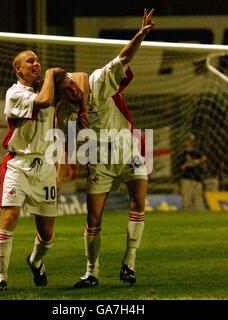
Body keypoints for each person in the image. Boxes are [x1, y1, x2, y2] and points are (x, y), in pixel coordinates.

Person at [54, 8, 155, 288]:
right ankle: (91, 272)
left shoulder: (97, 81)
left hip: (128, 149)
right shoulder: (64, 113)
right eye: (67, 89)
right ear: (61, 94)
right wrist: (63, 174)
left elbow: (123, 58)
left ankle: (129, 264)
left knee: (138, 202)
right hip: (99, 159)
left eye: (74, 84)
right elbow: (67, 145)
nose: (73, 89)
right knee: (93, 217)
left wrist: (140, 34)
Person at [0, 49, 64, 291]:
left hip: (45, 167)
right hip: (18, 164)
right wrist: (53, 73)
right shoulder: (15, 93)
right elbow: (42, 102)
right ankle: (0, 277)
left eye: (38, 61)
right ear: (17, 69)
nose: (36, 64)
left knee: (47, 233)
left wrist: (82, 105)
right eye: (29, 61)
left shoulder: (47, 89)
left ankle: (35, 261)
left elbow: (80, 82)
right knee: (9, 217)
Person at [178, 133, 208, 211]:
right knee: (186, 204)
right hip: (186, 180)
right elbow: (180, 168)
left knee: (198, 205)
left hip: (198, 180)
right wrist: (190, 162)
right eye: (187, 140)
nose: (188, 142)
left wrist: (200, 162)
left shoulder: (198, 154)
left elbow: (204, 167)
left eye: (190, 141)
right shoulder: (182, 155)